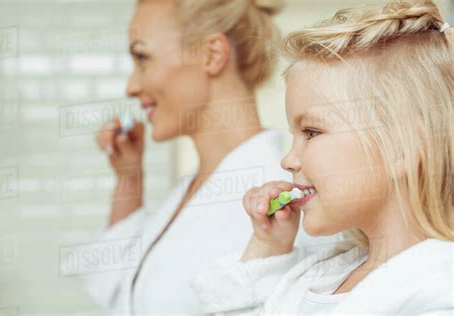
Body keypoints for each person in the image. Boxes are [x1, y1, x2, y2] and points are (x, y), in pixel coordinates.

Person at [61, 0, 345, 314]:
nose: (132, 85)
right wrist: (128, 177)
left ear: (211, 54)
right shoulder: (186, 192)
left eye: (143, 58)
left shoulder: (286, 201)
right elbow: (120, 294)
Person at [193, 0, 454, 314]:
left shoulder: (437, 290)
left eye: (312, 132)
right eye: (294, 135)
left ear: (402, 149)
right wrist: (268, 246)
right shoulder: (320, 275)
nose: (288, 160)